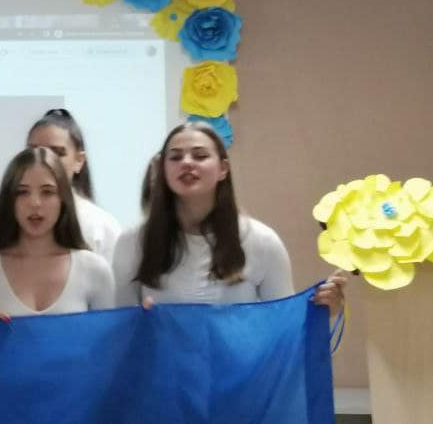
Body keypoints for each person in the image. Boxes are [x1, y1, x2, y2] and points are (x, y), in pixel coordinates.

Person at [112, 122, 346, 312]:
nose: (186, 163)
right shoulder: (133, 242)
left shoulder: (262, 241)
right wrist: (140, 321)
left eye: (200, 155)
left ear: (223, 169)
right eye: (175, 157)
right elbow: (117, 330)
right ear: (163, 170)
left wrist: (323, 309)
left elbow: (283, 326)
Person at [0, 147, 114, 318]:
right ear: (9, 200)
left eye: (47, 192)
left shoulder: (94, 270)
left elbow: (111, 335)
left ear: (63, 199)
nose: (35, 203)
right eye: (22, 192)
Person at [15, 108, 120, 263]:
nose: (43, 160)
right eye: (33, 152)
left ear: (79, 161)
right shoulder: (5, 219)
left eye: (57, 153)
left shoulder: (101, 227)